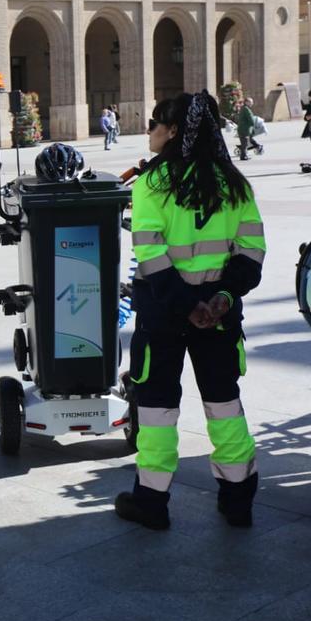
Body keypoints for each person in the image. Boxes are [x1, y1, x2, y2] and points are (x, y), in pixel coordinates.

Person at [116, 91, 265, 530]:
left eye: (154, 123)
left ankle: (152, 501)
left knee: (158, 407)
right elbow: (252, 251)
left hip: (164, 316)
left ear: (174, 131)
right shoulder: (235, 185)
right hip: (219, 318)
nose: (149, 130)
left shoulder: (151, 184)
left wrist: (187, 306)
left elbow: (152, 255)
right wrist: (220, 300)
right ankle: (238, 500)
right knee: (224, 402)